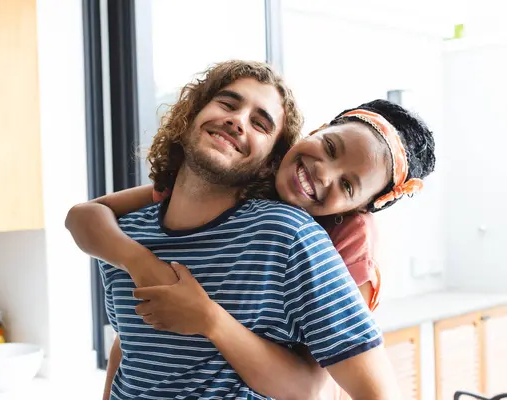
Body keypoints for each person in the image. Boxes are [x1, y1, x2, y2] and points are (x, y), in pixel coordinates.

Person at [67, 60, 433, 399]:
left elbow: (323, 386)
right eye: (227, 104)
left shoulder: (297, 236)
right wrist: (139, 262)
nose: (238, 121)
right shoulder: (127, 230)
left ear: (268, 160)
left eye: (261, 123)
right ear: (192, 112)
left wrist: (208, 318)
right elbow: (128, 344)